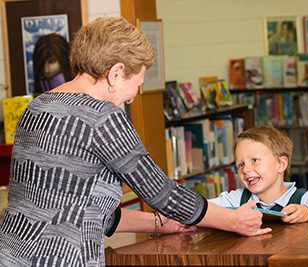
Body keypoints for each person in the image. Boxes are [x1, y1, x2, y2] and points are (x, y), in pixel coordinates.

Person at [0, 17, 270, 266]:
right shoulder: (101, 117)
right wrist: (234, 220)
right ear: (116, 73)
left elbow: (77, 210)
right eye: (137, 84)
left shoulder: (37, 107)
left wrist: (158, 223)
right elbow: (164, 194)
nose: (132, 97)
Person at [209, 125, 308, 224]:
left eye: (254, 160)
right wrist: (193, 221)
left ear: (281, 164)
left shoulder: (301, 199)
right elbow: (204, 207)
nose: (246, 169)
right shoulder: (237, 199)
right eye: (241, 164)